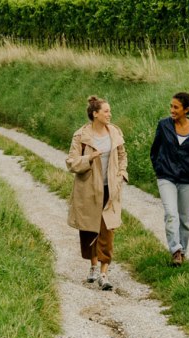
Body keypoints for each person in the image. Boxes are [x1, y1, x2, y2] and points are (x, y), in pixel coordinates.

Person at [66, 95, 128, 291]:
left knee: (107, 229)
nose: (110, 114)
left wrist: (121, 174)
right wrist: (89, 158)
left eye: (109, 111)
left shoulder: (115, 133)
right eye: (106, 111)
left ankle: (104, 273)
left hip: (111, 188)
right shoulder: (81, 136)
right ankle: (93, 265)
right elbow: (71, 162)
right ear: (95, 114)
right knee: (89, 229)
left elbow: (122, 156)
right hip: (88, 190)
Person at [150, 92, 189, 265]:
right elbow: (155, 151)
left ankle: (182, 252)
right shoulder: (164, 125)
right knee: (170, 213)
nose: (172, 110)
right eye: (171, 106)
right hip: (166, 176)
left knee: (184, 218)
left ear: (186, 109)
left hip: (187, 179)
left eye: (176, 107)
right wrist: (159, 168)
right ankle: (175, 249)